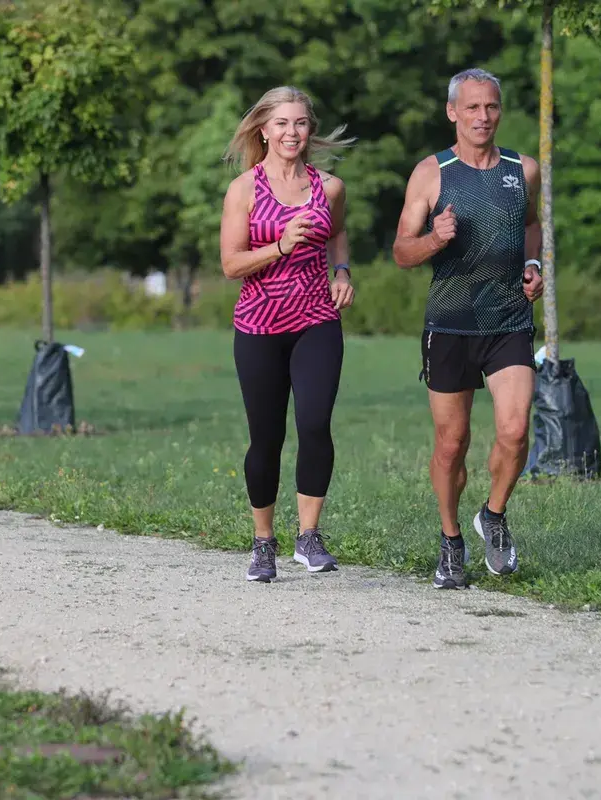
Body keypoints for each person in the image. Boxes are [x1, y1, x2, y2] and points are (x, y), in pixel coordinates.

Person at [391, 68, 545, 590]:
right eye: (473, 108)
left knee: (516, 429)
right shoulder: (432, 173)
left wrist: (534, 265)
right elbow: (401, 251)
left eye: (492, 107)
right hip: (451, 324)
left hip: (508, 319)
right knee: (452, 443)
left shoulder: (524, 169)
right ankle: (452, 539)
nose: (484, 117)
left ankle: (494, 515)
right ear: (452, 112)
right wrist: (434, 239)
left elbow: (531, 224)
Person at [219, 86, 356, 583]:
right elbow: (231, 263)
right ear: (263, 129)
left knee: (315, 423)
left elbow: (337, 233)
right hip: (258, 325)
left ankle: (309, 536)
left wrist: (341, 272)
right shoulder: (244, 190)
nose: (291, 132)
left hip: (316, 319)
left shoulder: (330, 187)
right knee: (267, 437)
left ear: (310, 129)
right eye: (281, 124)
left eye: (299, 123)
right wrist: (279, 244)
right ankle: (262, 543)